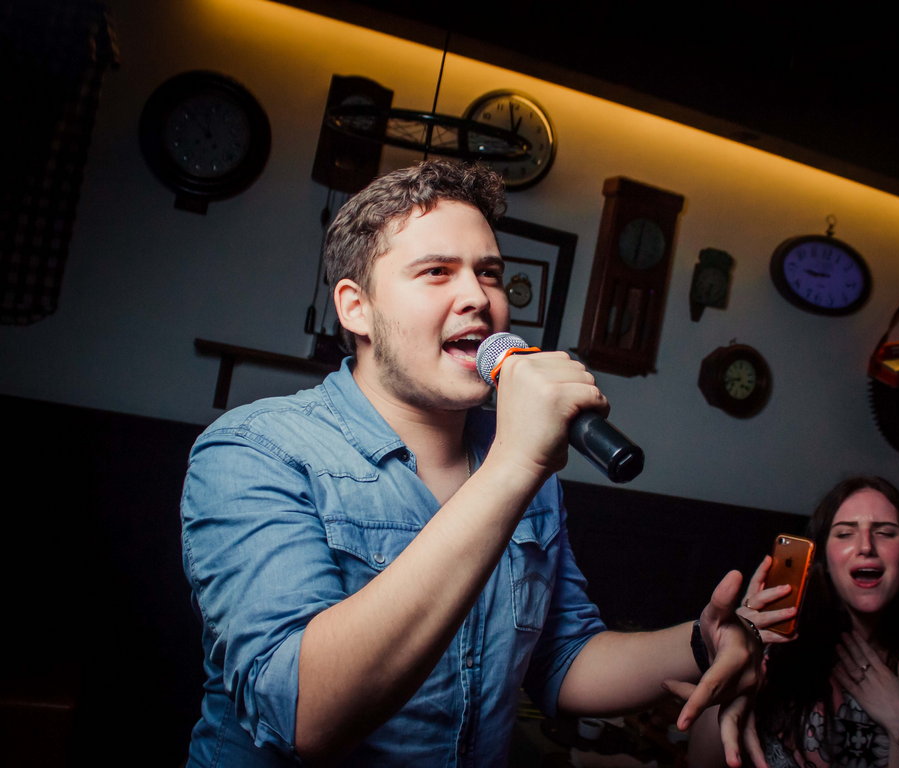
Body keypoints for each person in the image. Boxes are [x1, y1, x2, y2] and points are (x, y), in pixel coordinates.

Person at [179, 159, 764, 767]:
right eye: (437, 272)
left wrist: (701, 642)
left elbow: (563, 661)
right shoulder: (256, 449)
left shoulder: (519, 460)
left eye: (490, 274)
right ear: (356, 309)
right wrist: (514, 465)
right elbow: (304, 715)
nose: (478, 298)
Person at [689, 476, 899, 767]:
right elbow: (701, 763)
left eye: (885, 533)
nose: (866, 546)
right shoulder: (775, 651)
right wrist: (730, 668)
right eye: (845, 534)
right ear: (825, 561)